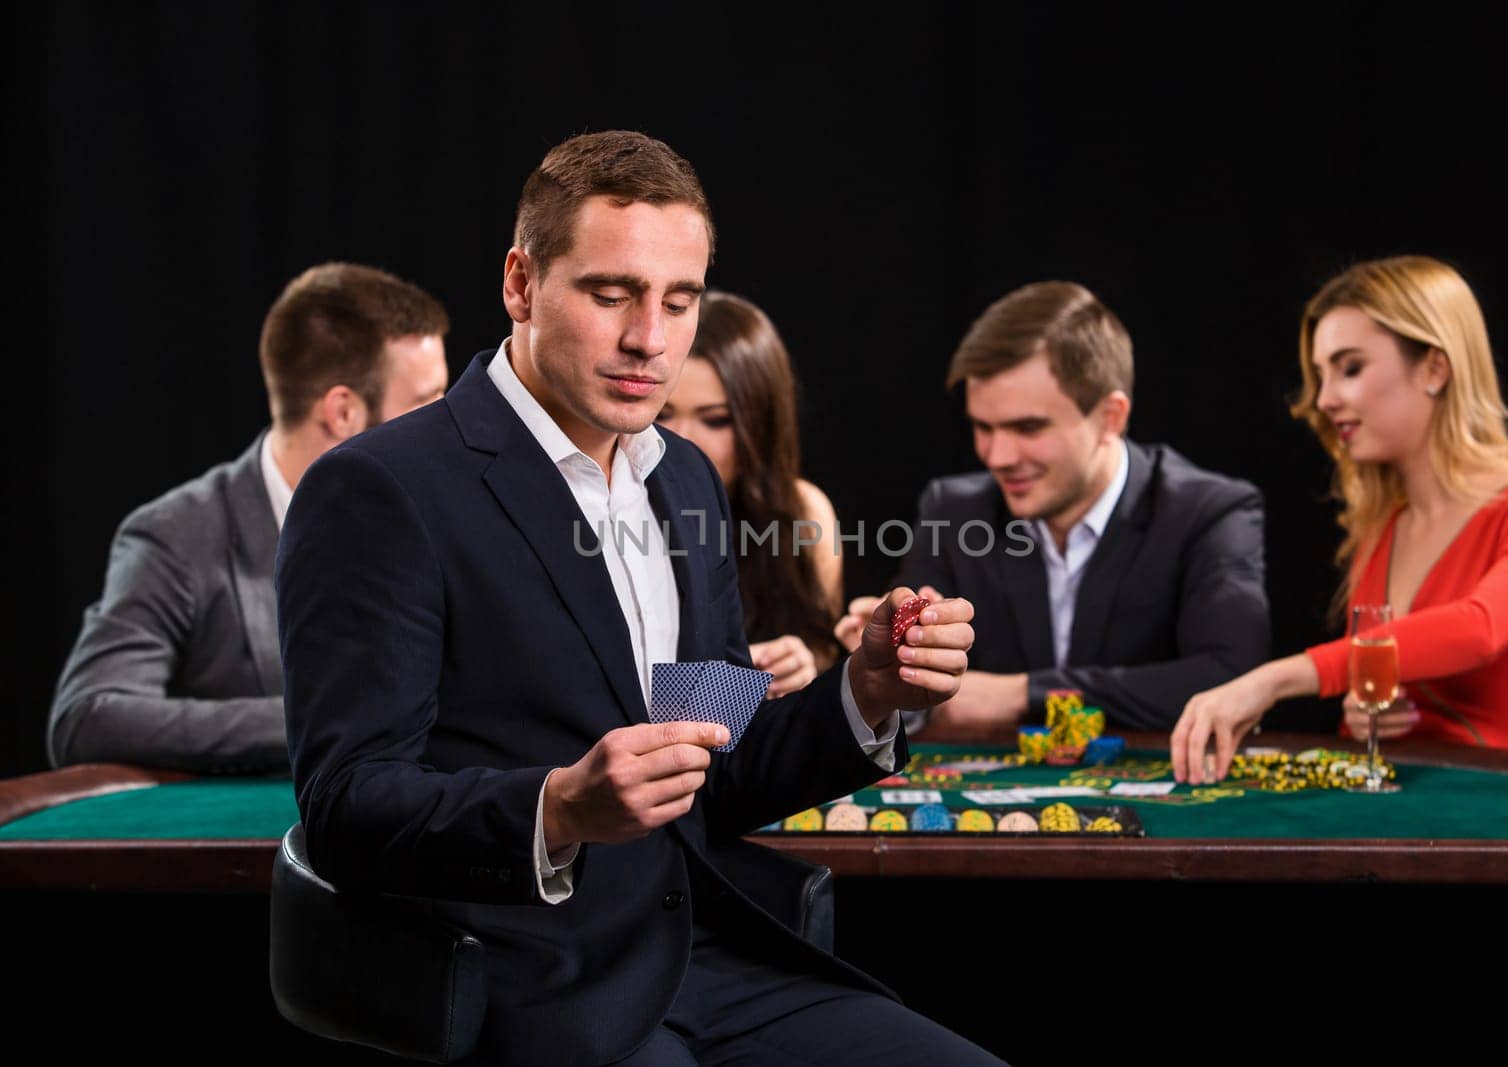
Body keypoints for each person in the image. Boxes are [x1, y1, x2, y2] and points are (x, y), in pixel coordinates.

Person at [275, 131, 998, 1066]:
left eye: (679, 300)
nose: (648, 339)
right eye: (610, 294)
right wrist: (559, 808)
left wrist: (869, 694)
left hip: (715, 965)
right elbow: (346, 805)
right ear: (521, 285)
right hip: (529, 991)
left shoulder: (685, 477)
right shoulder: (378, 488)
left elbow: (718, 764)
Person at [1172, 255, 1508, 782]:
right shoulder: (1384, 528)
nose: (1325, 400)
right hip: (1405, 818)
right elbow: (1391, 685)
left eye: (1350, 368)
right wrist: (1365, 713)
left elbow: (1478, 629)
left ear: (1435, 369)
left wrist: (1275, 680)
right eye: (1321, 376)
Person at [49, 262, 449, 773]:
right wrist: (324, 717)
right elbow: (86, 717)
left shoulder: (444, 515)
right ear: (342, 412)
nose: (447, 420)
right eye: (425, 401)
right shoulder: (178, 535)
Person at [835, 280, 1269, 732]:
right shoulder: (953, 509)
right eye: (983, 426)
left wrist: (1022, 694)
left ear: (1110, 417)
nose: (997, 456)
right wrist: (889, 661)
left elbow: (1234, 681)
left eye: (1028, 427)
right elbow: (914, 702)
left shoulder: (1209, 511)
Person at [656, 290, 843, 698]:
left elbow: (821, 659)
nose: (683, 441)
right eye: (662, 414)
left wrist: (801, 665)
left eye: (716, 420)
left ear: (760, 424)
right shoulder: (602, 513)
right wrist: (736, 683)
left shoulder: (803, 513)